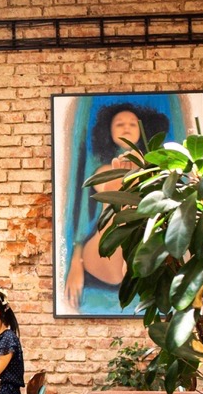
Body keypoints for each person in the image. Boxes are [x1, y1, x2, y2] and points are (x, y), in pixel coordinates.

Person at [65, 103, 169, 312]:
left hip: (139, 250)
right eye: (119, 124)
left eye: (132, 124)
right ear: (108, 131)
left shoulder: (157, 172)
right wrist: (76, 261)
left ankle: (125, 201)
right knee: (109, 178)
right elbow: (82, 219)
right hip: (100, 255)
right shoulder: (100, 171)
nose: (126, 127)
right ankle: (121, 201)